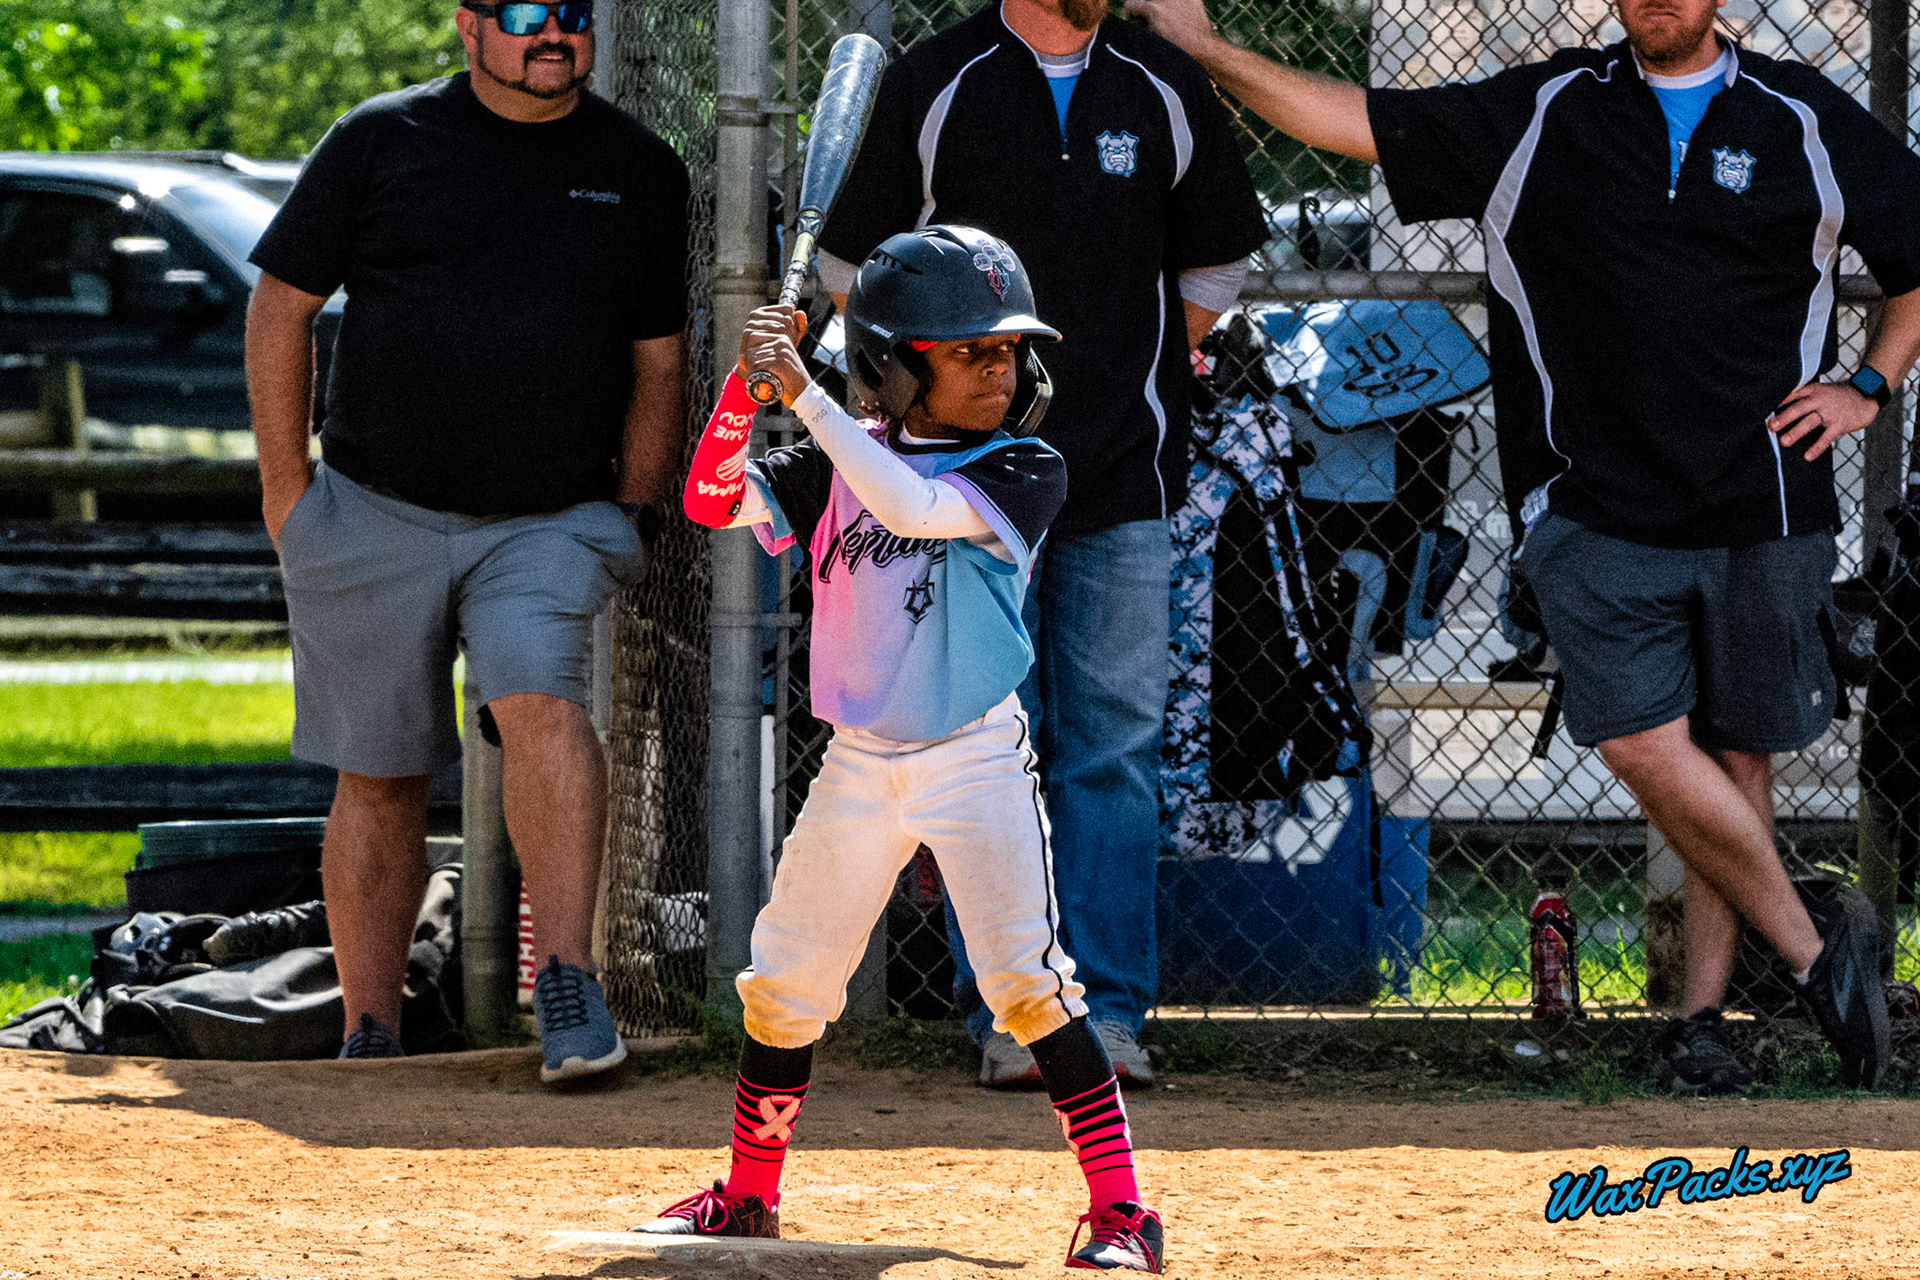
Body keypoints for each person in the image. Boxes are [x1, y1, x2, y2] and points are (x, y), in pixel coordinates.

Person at [1126, 0, 1920, 1090]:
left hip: (1767, 499)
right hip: (1592, 507)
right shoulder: (1545, 110)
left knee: (1738, 759)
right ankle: (1817, 946)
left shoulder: (1804, 116)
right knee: (1644, 743)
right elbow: (1349, 119)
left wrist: (1869, 385)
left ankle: (1702, 1026)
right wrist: (1208, 50)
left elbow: (1919, 257)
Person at [635, 225, 1163, 1273]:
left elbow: (914, 503)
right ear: (891, 367)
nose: (999, 369)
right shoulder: (827, 460)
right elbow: (705, 497)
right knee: (784, 983)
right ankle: (747, 1193)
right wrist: (748, 390)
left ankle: (1121, 1212)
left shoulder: (1021, 463)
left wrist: (810, 400)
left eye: (1007, 351)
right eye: (969, 352)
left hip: (976, 758)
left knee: (1027, 986)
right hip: (859, 764)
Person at [817, 0, 1269, 1089]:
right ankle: (1013, 1013)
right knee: (980, 749)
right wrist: (943, 403)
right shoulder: (941, 77)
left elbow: (1216, 266)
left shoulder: (1159, 76)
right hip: (961, 493)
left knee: (1109, 747)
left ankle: (1103, 1011)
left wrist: (1126, 370)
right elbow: (850, 270)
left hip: (1122, 474)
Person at [244, 0, 689, 1080]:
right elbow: (280, 306)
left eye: (574, 14)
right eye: (528, 11)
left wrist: (628, 506)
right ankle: (372, 1026)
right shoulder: (380, 139)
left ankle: (569, 985)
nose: (555, 33)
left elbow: (660, 361)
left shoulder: (637, 166)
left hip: (546, 519)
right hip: (370, 509)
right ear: (468, 26)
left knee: (540, 699)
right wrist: (287, 492)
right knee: (382, 769)